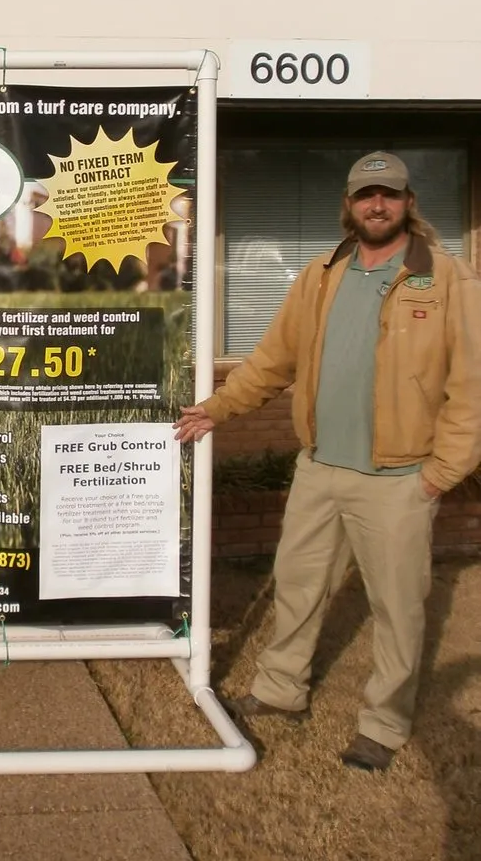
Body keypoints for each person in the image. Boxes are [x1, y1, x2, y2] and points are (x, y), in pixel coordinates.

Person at [175, 151, 481, 772]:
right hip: (320, 469)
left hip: (399, 478)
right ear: (348, 203)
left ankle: (385, 724)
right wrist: (219, 408)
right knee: (298, 585)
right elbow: (272, 361)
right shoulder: (320, 274)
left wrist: (441, 473)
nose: (377, 205)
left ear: (408, 203)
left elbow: (471, 386)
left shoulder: (450, 280)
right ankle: (280, 691)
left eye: (389, 195)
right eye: (367, 195)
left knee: (397, 608)